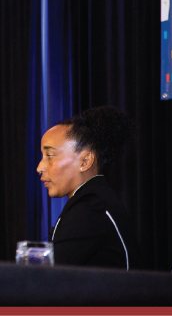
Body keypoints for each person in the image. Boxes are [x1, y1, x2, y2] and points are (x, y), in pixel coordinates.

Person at [36, 105, 136, 269]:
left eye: (50, 156)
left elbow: (46, 277)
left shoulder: (91, 208)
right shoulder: (93, 201)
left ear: (85, 161)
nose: (40, 167)